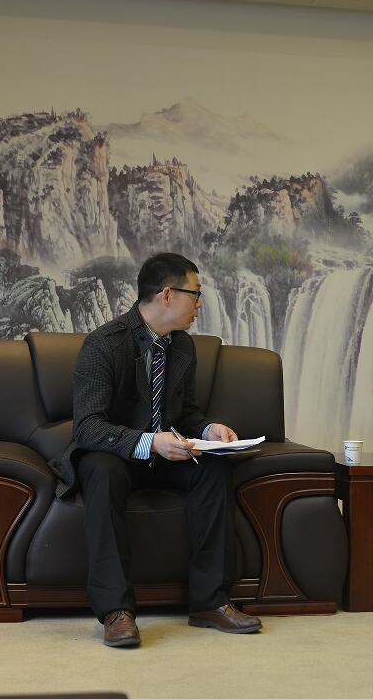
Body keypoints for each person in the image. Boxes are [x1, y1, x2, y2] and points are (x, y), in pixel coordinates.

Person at [51, 252, 263, 647]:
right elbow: (88, 427)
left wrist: (210, 429)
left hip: (166, 454)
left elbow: (187, 413)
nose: (200, 304)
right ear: (167, 294)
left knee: (213, 468)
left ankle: (211, 603)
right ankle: (117, 611)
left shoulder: (182, 347)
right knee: (100, 469)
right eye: (195, 294)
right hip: (115, 454)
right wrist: (150, 442)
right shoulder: (103, 343)